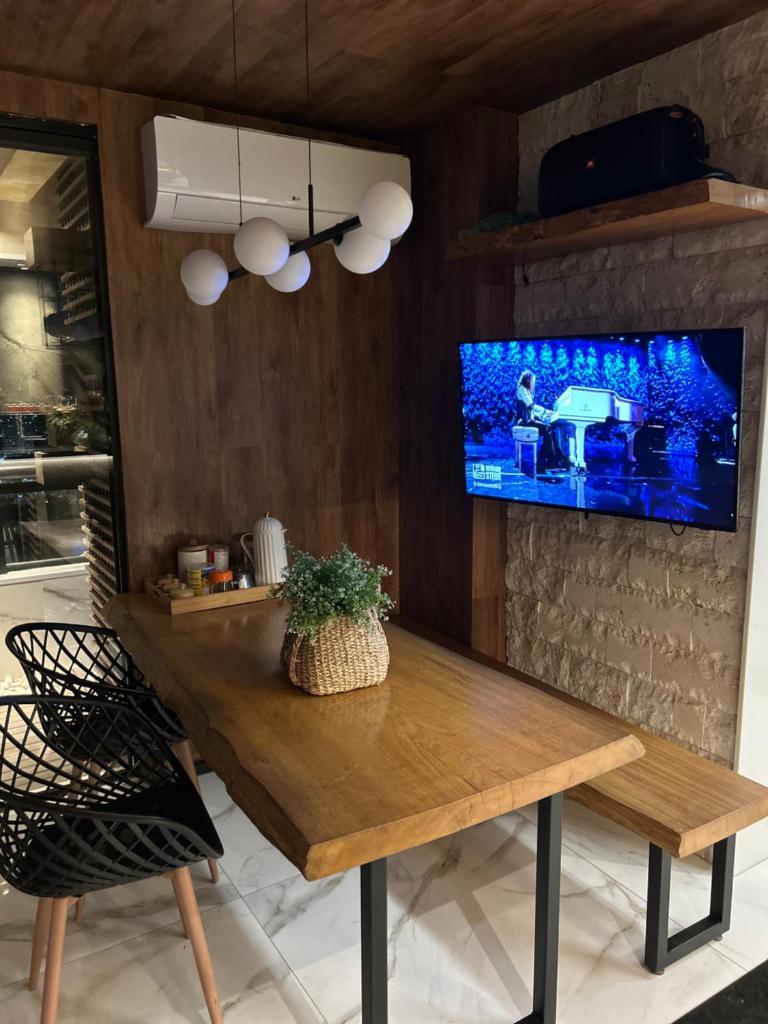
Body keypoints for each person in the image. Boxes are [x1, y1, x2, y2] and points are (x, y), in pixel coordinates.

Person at [513, 371, 572, 471]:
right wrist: (545, 411)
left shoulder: (526, 391)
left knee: (550, 431)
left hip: (528, 420)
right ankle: (550, 460)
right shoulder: (522, 389)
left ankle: (553, 459)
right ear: (528, 380)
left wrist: (546, 414)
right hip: (524, 421)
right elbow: (530, 406)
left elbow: (532, 412)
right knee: (547, 428)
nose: (534, 383)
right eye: (533, 381)